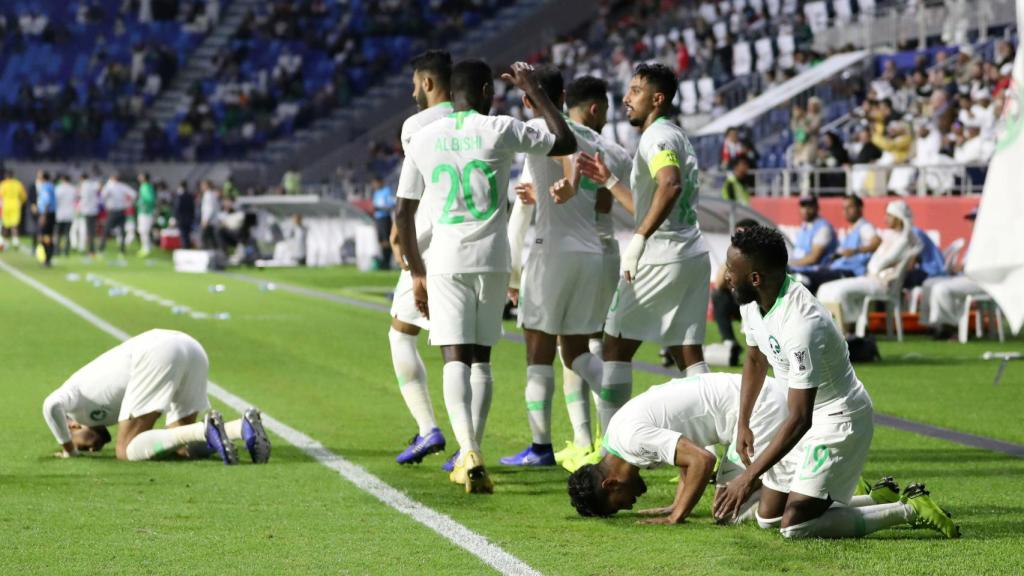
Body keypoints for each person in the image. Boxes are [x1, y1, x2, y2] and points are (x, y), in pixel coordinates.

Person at [395, 59, 576, 493]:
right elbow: (563, 139)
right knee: (481, 358)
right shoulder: (500, 127)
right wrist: (535, 88)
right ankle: (469, 452)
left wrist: (416, 272)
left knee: (453, 355)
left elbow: (403, 211)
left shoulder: (422, 138)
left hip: (446, 260)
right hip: (493, 258)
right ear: (481, 90)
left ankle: (469, 449)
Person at [712, 225, 959, 539]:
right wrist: (742, 423)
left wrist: (747, 477)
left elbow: (802, 418)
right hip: (801, 417)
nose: (726, 275)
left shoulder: (801, 325)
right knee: (769, 519)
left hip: (838, 419)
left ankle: (909, 508)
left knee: (795, 527)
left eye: (731, 269)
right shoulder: (751, 301)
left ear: (755, 278)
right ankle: (875, 498)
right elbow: (755, 358)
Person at [577, 63, 712, 439]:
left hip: (661, 255)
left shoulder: (656, 139)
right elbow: (651, 201)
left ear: (657, 98)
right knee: (688, 353)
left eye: (635, 90)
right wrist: (611, 181)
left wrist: (637, 240)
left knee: (615, 345)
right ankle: (713, 450)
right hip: (691, 252)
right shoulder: (674, 135)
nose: (625, 98)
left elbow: (669, 185)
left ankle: (613, 450)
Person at [500, 67, 620, 469]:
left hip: (552, 252)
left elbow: (563, 150)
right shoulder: (595, 137)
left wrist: (567, 183)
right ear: (564, 95)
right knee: (575, 353)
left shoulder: (540, 125)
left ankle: (540, 448)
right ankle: (627, 424)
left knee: (537, 350)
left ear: (529, 99)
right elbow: (604, 196)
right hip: (590, 253)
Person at [568, 372, 790, 522]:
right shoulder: (617, 437)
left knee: (729, 513)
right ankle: (780, 478)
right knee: (726, 505)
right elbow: (684, 455)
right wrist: (676, 504)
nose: (628, 506)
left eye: (617, 505)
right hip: (755, 402)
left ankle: (797, 487)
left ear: (611, 484)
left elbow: (702, 460)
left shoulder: (631, 440)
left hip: (761, 407)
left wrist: (677, 516)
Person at [42, 330, 271, 465]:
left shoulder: (71, 402)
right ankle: (241, 428)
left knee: (125, 450)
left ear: (72, 425)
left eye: (84, 446)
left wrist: (69, 450)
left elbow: (50, 405)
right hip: (191, 347)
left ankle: (207, 429)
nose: (91, 450)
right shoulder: (97, 411)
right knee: (182, 447)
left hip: (157, 350)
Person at [387, 50, 454, 466]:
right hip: (474, 244)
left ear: (428, 83)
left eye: (415, 83)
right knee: (467, 349)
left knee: (401, 333)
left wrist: (399, 239)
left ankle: (429, 427)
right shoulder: (473, 120)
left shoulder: (417, 125)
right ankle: (470, 446)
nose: (413, 90)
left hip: (426, 243)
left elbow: (408, 198)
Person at [818, 200, 921, 332]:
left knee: (839, 292)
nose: (886, 219)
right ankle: (836, 329)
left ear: (898, 218)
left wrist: (873, 268)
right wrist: (873, 268)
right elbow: (876, 264)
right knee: (824, 289)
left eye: (889, 216)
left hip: (881, 284)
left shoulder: (903, 241)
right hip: (870, 278)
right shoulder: (891, 236)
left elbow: (881, 264)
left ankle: (848, 330)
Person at [796, 195, 881, 294]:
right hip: (837, 268)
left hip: (850, 272)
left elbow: (877, 242)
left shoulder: (865, 227)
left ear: (860, 208)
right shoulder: (850, 229)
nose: (846, 211)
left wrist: (855, 251)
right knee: (802, 277)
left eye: (850, 207)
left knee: (805, 279)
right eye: (844, 208)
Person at [708, 219, 762, 368]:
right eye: (736, 236)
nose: (739, 240)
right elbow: (719, 283)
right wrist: (732, 257)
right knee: (718, 295)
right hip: (743, 302)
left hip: (763, 303)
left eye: (742, 236)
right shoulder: (735, 256)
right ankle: (730, 342)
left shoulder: (765, 254)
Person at [788, 195, 836, 273]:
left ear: (817, 208)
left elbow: (813, 258)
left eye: (809, 206)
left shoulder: (823, 228)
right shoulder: (805, 225)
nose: (805, 210)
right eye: (803, 206)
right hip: (797, 269)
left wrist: (789, 264)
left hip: (812, 273)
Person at [99, 173, 137, 255]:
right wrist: (128, 204)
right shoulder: (122, 186)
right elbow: (134, 194)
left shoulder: (109, 186)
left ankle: (102, 248)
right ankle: (122, 249)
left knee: (106, 230)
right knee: (122, 231)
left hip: (113, 211)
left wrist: (107, 203)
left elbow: (102, 196)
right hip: (122, 210)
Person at [371, 176, 396, 269]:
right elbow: (374, 206)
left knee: (386, 240)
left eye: (375, 183)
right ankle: (384, 261)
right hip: (378, 219)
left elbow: (391, 205)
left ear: (380, 182)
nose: (374, 185)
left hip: (385, 218)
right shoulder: (376, 193)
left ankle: (387, 262)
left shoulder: (387, 191)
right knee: (381, 241)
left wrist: (380, 208)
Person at [1, 169, 27, 249]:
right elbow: (24, 196)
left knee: (5, 225)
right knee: (14, 225)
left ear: (6, 176)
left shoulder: (3, 184)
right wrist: (21, 202)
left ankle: (3, 242)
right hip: (15, 206)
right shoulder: (18, 184)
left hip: (6, 206)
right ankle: (15, 241)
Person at [34, 170, 56, 266]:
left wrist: (43, 216)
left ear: (43, 177)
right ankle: (48, 257)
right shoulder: (50, 185)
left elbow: (46, 202)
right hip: (50, 214)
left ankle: (47, 258)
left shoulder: (45, 187)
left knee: (44, 236)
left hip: (47, 214)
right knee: (48, 236)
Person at [78, 171, 101, 256]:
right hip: (94, 210)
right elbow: (99, 187)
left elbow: (83, 199)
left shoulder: (84, 186)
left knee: (88, 231)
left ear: (81, 178)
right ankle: (92, 249)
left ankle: (91, 250)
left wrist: (80, 208)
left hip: (87, 211)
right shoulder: (92, 184)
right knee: (92, 231)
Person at [54, 173, 77, 257]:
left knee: (58, 233)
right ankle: (66, 250)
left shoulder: (58, 188)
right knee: (68, 233)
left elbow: (55, 201)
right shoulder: (73, 189)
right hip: (70, 213)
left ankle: (57, 250)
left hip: (60, 213)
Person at [136, 172, 156, 256]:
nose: (138, 177)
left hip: (145, 212)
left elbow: (149, 199)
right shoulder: (148, 186)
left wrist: (141, 203)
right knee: (144, 231)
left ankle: (145, 248)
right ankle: (147, 247)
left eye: (140, 176)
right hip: (147, 211)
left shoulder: (144, 187)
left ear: (144, 178)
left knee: (143, 230)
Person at [174, 181, 196, 249]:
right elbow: (193, 208)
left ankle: (185, 248)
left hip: (182, 218)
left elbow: (178, 208)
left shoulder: (180, 197)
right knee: (187, 234)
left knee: (183, 234)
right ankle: (187, 247)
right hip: (189, 218)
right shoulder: (190, 196)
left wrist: (176, 217)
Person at [199, 180, 221, 250]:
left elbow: (209, 209)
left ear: (207, 186)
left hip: (209, 221)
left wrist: (205, 220)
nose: (201, 187)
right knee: (212, 239)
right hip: (212, 221)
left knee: (204, 238)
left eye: (203, 185)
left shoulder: (208, 195)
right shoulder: (212, 194)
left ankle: (205, 253)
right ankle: (217, 253)